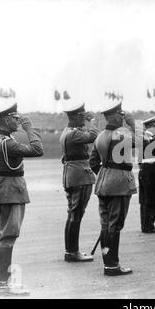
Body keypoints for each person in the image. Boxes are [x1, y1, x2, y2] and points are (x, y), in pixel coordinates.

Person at [0, 95, 43, 296]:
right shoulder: (7, 143)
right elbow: (38, 149)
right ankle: (3, 285)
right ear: (4, 119)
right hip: (10, 192)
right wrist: (30, 129)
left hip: (2, 190)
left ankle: (1, 283)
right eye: (14, 117)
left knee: (2, 238)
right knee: (7, 238)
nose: (17, 120)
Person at [89, 100, 136, 276]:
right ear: (115, 116)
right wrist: (132, 123)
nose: (122, 118)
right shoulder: (120, 135)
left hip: (104, 183)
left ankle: (108, 264)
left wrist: (105, 174)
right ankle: (112, 265)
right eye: (121, 115)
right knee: (115, 225)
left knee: (106, 224)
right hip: (119, 184)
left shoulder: (100, 136)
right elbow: (142, 142)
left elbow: (93, 161)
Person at [60, 99, 98, 262]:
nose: (85, 118)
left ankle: (71, 250)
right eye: (83, 115)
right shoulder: (74, 134)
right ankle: (72, 251)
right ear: (76, 116)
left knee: (73, 214)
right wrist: (93, 122)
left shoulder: (67, 131)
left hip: (72, 174)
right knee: (76, 214)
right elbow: (94, 136)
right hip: (80, 176)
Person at [138, 115, 155, 233]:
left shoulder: (147, 137)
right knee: (149, 199)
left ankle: (148, 224)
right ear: (150, 126)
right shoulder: (149, 138)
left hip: (149, 169)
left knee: (150, 198)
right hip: (150, 170)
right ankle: (148, 225)